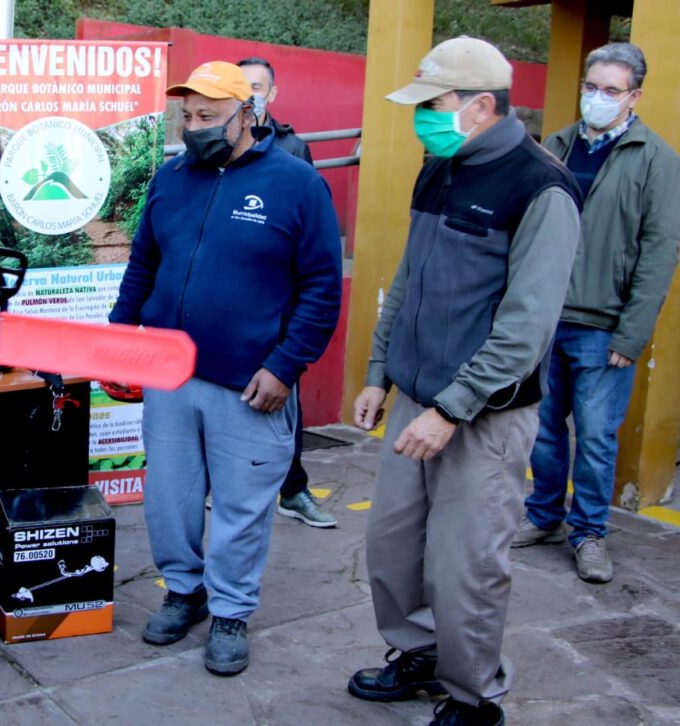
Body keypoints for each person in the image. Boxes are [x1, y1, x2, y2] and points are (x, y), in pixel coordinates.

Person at [346, 37, 582, 726]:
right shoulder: (440, 166)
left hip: (482, 419)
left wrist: (449, 410)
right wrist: (378, 374)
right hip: (416, 401)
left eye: (433, 105)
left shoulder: (541, 188)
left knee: (466, 566)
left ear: (482, 105)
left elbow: (526, 328)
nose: (421, 119)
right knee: (391, 549)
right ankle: (419, 653)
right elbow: (410, 280)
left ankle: (475, 697)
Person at [110, 61, 341, 676]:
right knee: (169, 498)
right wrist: (117, 337)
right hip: (168, 372)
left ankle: (233, 612)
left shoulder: (297, 185)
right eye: (187, 116)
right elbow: (143, 264)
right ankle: (185, 592)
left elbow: (321, 287)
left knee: (243, 505)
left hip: (249, 383)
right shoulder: (171, 179)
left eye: (208, 116)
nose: (194, 127)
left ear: (248, 114)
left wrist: (286, 366)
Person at [513, 42, 680, 584]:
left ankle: (589, 534)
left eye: (611, 90)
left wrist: (631, 335)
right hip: (545, 317)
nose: (598, 98)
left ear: (634, 96)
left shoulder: (656, 160)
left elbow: (660, 252)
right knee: (542, 430)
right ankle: (544, 517)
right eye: (592, 87)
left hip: (603, 326)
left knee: (596, 436)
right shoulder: (556, 144)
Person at [237, 56, 336, 529]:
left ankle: (292, 490)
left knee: (282, 400)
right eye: (243, 86)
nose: (252, 94)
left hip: (280, 306)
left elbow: (313, 239)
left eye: (259, 86)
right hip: (234, 305)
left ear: (272, 94)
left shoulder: (295, 149)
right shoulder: (216, 147)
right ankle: (233, 487)